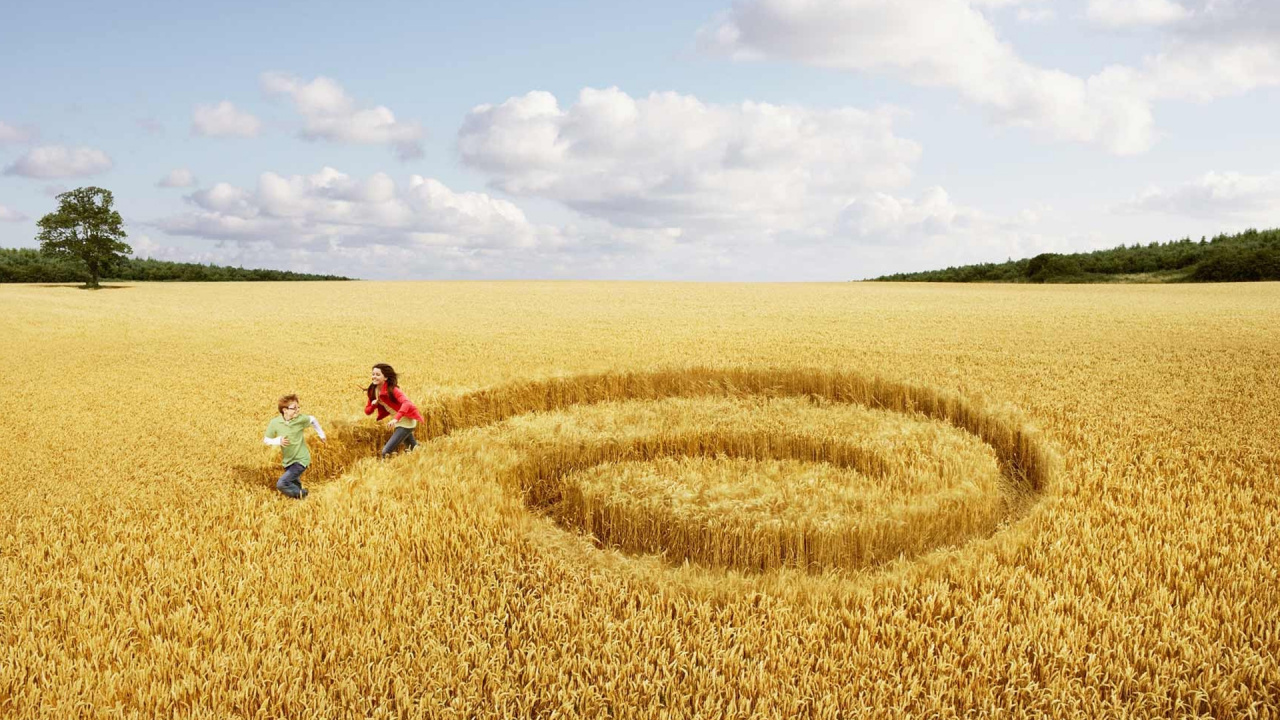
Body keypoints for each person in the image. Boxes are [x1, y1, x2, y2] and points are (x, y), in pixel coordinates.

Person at [263, 394, 326, 499]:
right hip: (288, 461)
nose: (297, 410)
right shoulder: (274, 423)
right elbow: (266, 440)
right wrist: (278, 440)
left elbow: (313, 419)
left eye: (298, 407)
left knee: (282, 484)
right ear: (285, 410)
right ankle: (302, 500)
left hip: (301, 459)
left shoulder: (300, 419)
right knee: (294, 484)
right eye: (294, 408)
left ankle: (305, 494)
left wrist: (321, 434)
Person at [365, 363, 425, 457]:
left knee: (386, 452)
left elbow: (407, 403)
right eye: (373, 374)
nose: (374, 377)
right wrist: (373, 405)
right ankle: (425, 457)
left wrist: (396, 419)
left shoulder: (393, 390)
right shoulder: (373, 391)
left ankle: (389, 469)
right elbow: (367, 411)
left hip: (406, 422)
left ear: (385, 378)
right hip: (398, 422)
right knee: (414, 449)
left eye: (378, 374)